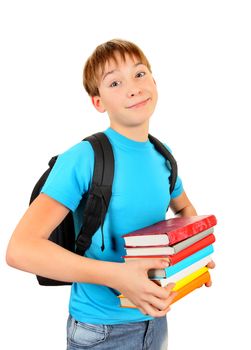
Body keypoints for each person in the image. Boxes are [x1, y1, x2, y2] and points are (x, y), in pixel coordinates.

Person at [6, 39, 215, 350]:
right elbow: (20, 250)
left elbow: (185, 211)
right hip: (100, 331)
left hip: (156, 320)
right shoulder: (82, 158)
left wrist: (192, 256)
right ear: (98, 102)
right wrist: (120, 277)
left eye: (140, 74)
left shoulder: (163, 155)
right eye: (115, 82)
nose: (133, 88)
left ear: (155, 82)